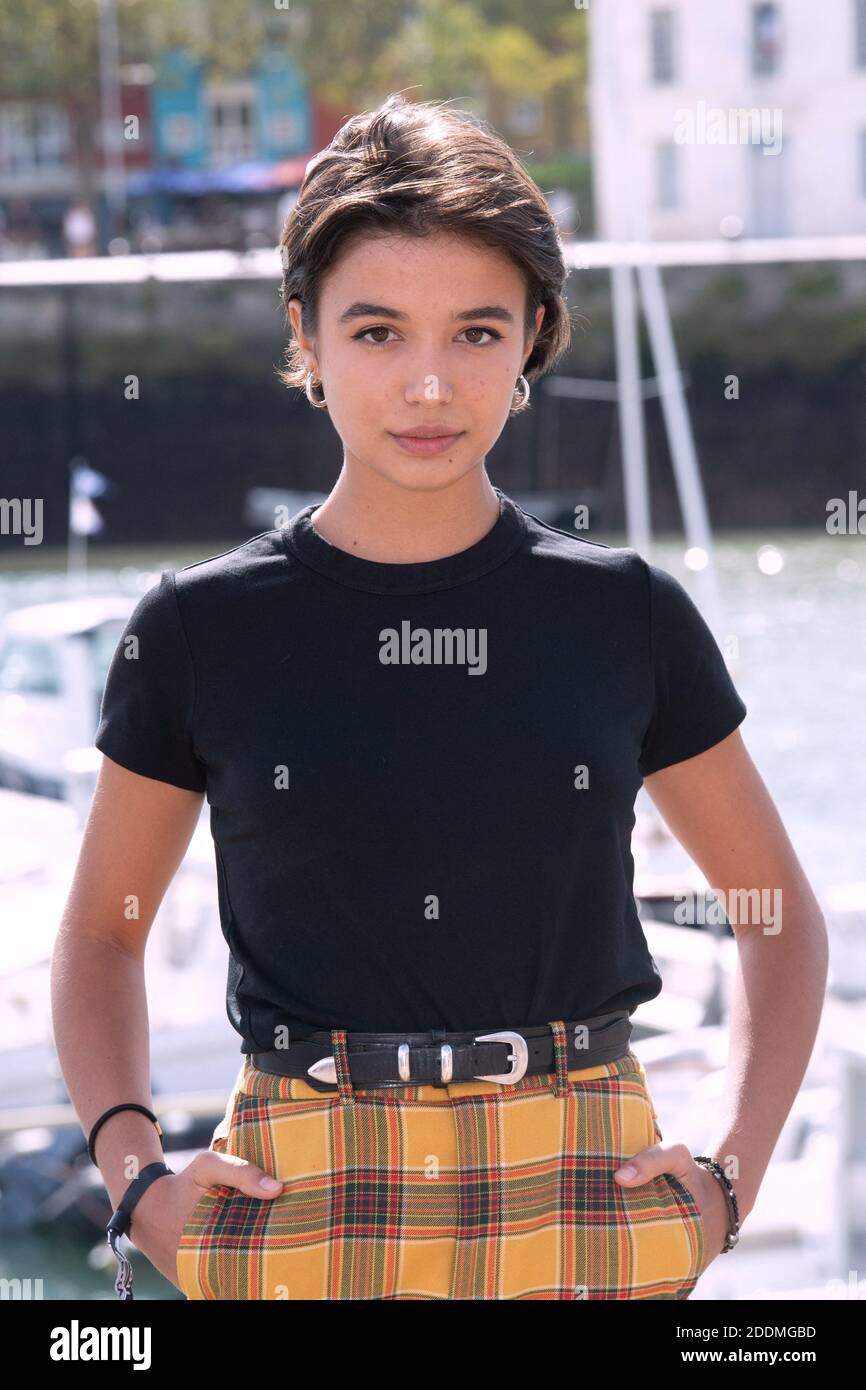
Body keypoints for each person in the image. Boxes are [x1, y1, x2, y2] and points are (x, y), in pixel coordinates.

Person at [51, 92, 827, 1301]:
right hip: (301, 1206)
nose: (427, 384)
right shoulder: (197, 631)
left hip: (588, 1202)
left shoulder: (624, 617)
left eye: (474, 331)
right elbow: (103, 931)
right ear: (304, 339)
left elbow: (775, 913)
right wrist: (140, 1182)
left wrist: (727, 1180)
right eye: (376, 332)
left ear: (532, 340)